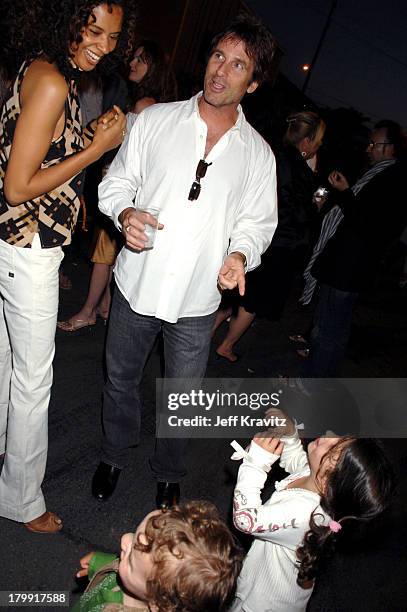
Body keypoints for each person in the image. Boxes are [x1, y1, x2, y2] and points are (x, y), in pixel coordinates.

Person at [91, 14, 278, 508]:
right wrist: (125, 210)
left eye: (238, 65)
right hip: (138, 284)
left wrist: (241, 254)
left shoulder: (259, 156)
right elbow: (115, 183)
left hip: (198, 301)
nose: (221, 70)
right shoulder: (155, 120)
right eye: (218, 56)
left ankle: (169, 472)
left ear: (252, 83)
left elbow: (257, 223)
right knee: (120, 380)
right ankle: (113, 453)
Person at [0, 0, 137, 532]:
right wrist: (98, 147)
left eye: (113, 36)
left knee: (9, 359)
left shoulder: (44, 68)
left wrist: (86, 138)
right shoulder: (56, 81)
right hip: (29, 246)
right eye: (93, 29)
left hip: (15, 242)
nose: (103, 44)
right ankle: (21, 499)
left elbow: (39, 153)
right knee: (33, 379)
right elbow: (18, 185)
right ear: (68, 20)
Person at [58, 41, 177, 332]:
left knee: (104, 252)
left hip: (125, 191)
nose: (132, 63)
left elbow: (130, 153)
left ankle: (87, 311)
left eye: (140, 60)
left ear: (154, 69)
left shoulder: (144, 106)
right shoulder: (160, 104)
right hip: (135, 191)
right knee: (112, 253)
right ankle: (104, 304)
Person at [229, 418, 395, 611]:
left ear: (327, 483)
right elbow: (296, 460)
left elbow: (245, 520)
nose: (329, 434)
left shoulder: (304, 514)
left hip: (265, 601)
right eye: (339, 437)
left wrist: (255, 463)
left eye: (332, 449)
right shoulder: (317, 477)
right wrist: (290, 434)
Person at [214, 111, 325, 363]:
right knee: (253, 301)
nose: (318, 145)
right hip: (277, 245)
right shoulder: (298, 169)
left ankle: (207, 334)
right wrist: (314, 207)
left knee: (234, 293)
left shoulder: (270, 153)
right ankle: (227, 345)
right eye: (317, 140)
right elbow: (295, 211)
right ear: (306, 141)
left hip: (253, 236)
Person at [303, 119, 407, 377]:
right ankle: (322, 378)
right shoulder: (381, 174)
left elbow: (369, 225)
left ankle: (311, 381)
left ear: (390, 148)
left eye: (374, 143)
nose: (368, 148)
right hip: (348, 268)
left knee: (327, 331)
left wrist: (346, 192)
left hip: (347, 269)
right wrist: (344, 193)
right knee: (335, 330)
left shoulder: (392, 179)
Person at [71, 500, 244, 612]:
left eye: (130, 560)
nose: (125, 538)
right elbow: (131, 569)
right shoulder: (141, 579)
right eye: (134, 534)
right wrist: (101, 563)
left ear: (158, 605)